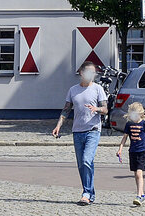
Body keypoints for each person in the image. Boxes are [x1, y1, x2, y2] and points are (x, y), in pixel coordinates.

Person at [50, 60, 109, 206]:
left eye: (93, 72)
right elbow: (66, 110)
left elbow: (106, 109)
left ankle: (86, 193)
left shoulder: (97, 89)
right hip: (77, 131)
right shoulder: (73, 90)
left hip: (93, 130)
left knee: (86, 160)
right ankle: (89, 192)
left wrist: (97, 110)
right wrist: (58, 126)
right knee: (82, 165)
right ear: (81, 73)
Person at [117, 102, 145, 207]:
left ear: (140, 114)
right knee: (136, 174)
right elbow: (125, 137)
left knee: (139, 173)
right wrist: (120, 149)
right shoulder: (129, 124)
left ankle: (138, 195)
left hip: (142, 151)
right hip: (132, 151)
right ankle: (142, 194)